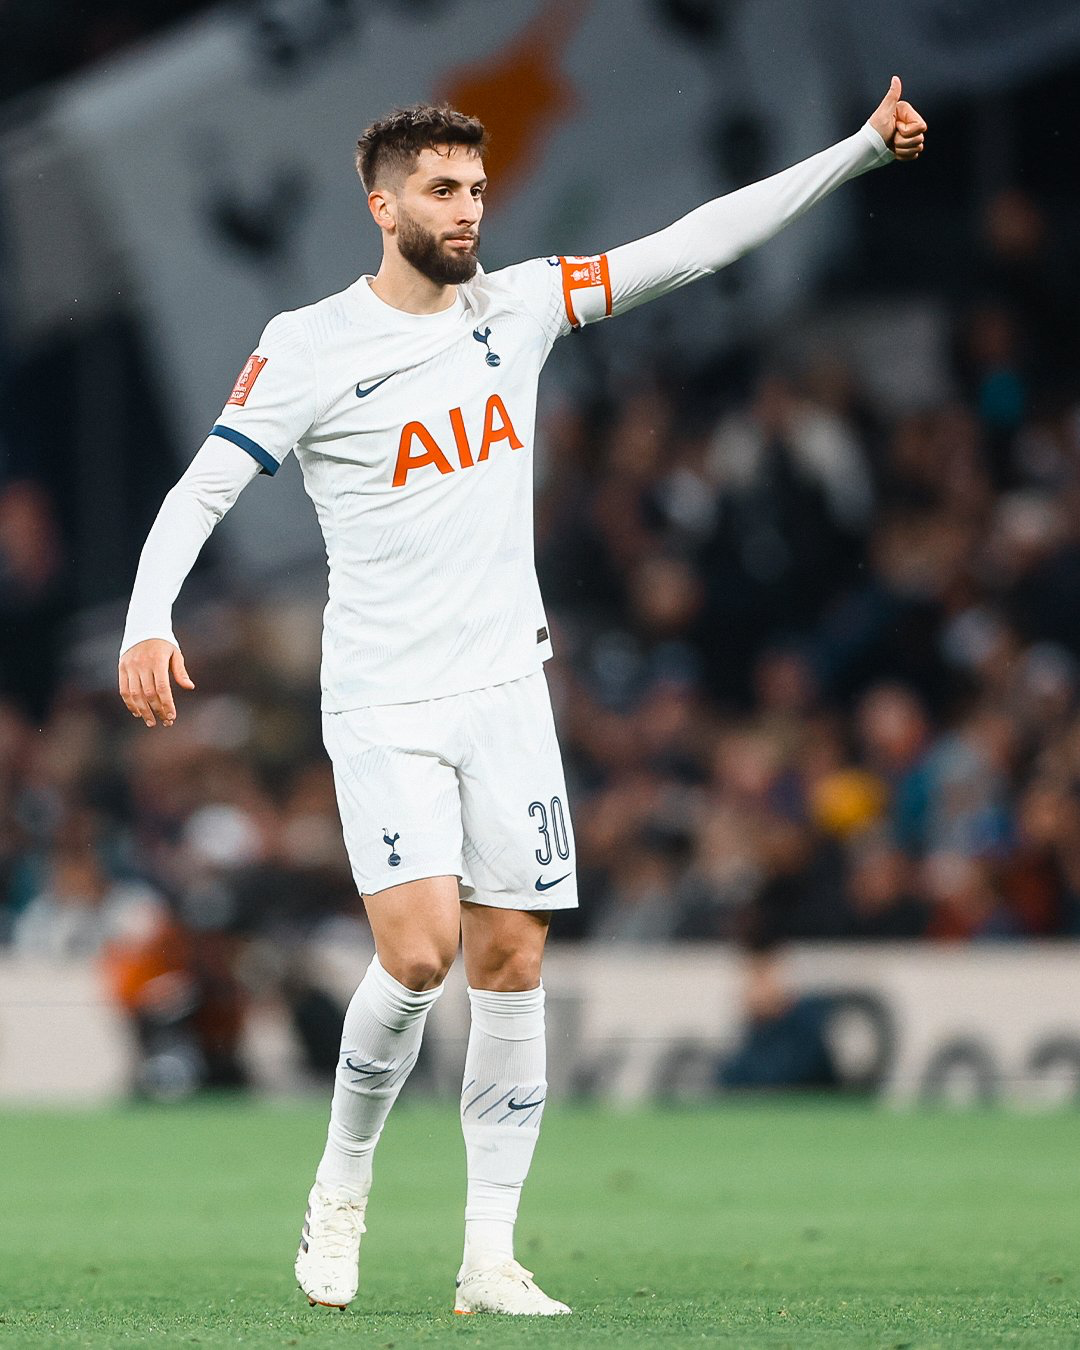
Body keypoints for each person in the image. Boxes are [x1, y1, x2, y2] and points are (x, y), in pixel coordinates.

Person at [118, 79, 926, 1316]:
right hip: (385, 700)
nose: (467, 211)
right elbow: (200, 491)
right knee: (422, 951)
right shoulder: (308, 343)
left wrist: (860, 152)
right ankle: (340, 1190)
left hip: (506, 690)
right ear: (381, 203)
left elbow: (691, 242)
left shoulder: (522, 304)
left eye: (478, 189)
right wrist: (148, 617)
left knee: (511, 959)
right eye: (442, 191)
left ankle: (489, 1257)